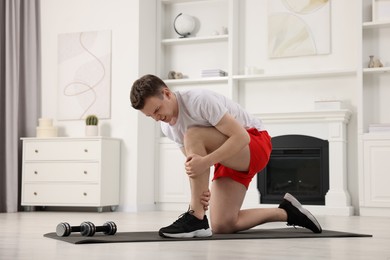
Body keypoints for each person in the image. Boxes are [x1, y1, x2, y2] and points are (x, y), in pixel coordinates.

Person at [130, 74, 322, 238]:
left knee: (193, 134)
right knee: (223, 225)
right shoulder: (167, 127)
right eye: (150, 116)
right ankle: (288, 212)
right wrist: (200, 194)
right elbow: (194, 164)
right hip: (227, 157)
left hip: (254, 143)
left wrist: (205, 163)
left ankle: (196, 219)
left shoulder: (198, 100)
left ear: (167, 93)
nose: (157, 118)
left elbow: (241, 137)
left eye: (157, 110)